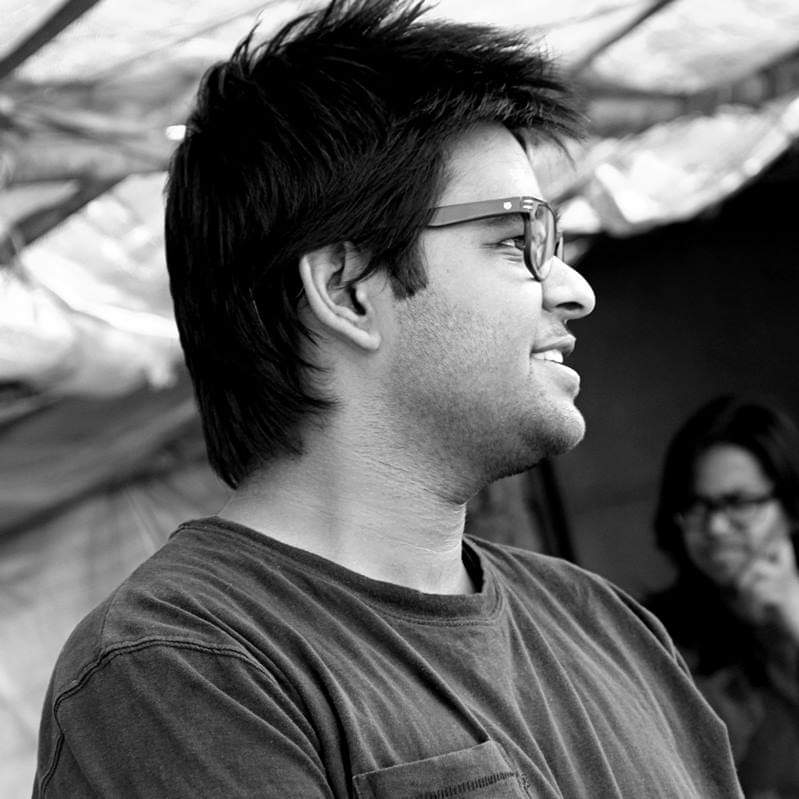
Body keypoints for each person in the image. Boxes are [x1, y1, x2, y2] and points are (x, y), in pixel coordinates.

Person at [33, 1, 743, 796]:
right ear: (347, 288)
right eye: (518, 238)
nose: (575, 289)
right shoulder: (183, 669)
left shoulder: (606, 627)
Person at [647, 395, 799, 798]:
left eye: (739, 503)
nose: (715, 528)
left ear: (790, 507)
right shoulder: (658, 639)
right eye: (696, 506)